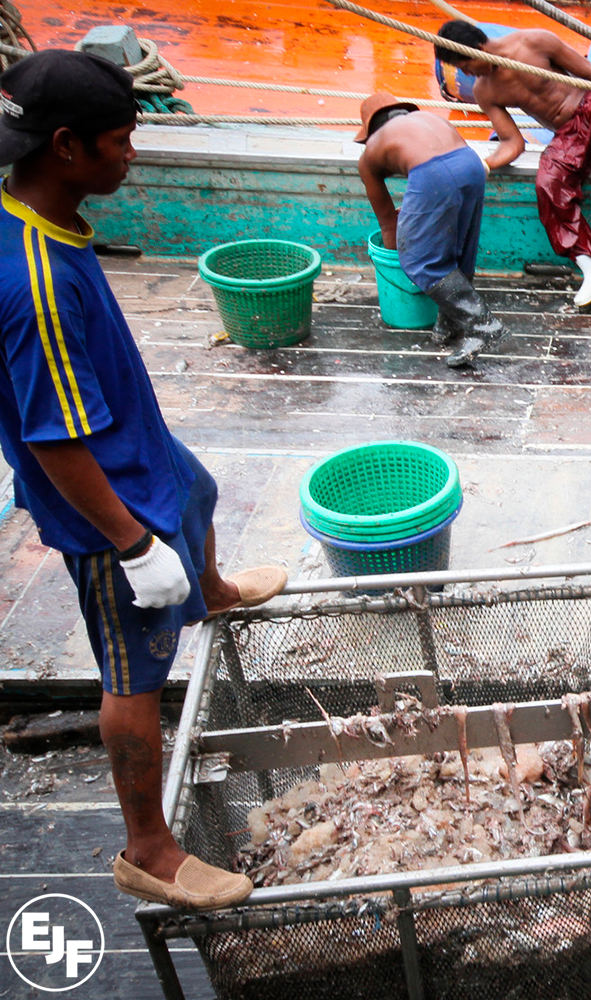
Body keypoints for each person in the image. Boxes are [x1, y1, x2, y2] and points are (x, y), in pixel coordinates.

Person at [0, 51, 288, 908]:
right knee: (134, 673)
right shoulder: (37, 281)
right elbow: (54, 440)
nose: (132, 156)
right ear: (65, 148)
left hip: (137, 445)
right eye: (120, 141)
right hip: (105, 500)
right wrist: (131, 546)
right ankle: (148, 849)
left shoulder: (40, 213)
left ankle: (215, 586)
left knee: (198, 491)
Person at [434, 21, 591, 307]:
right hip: (569, 134)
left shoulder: (534, 41)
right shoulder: (485, 91)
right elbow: (513, 142)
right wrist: (487, 164)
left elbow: (589, 72)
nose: (466, 75)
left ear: (478, 50)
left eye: (465, 66)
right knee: (547, 183)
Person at [354, 93, 506, 367]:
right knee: (460, 249)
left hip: (433, 173)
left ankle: (482, 324)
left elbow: (389, 223)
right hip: (471, 163)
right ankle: (449, 324)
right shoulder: (426, 119)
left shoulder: (369, 156)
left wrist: (400, 260)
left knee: (420, 259)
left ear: (369, 130)